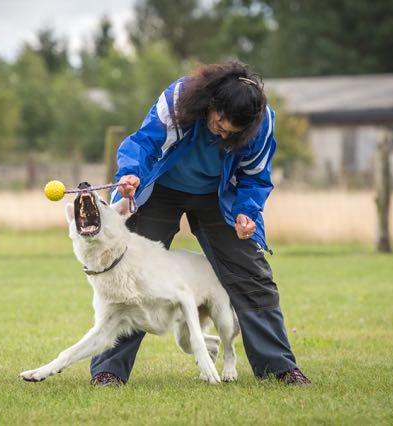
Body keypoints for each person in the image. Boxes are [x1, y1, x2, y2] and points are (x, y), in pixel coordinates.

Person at [90, 61, 311, 387]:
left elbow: (255, 177)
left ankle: (279, 368)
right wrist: (129, 175)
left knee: (251, 275)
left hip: (218, 197)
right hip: (161, 189)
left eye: (232, 130)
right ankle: (108, 371)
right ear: (211, 103)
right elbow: (144, 143)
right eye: (219, 120)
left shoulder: (261, 125)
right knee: (131, 274)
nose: (222, 130)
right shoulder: (178, 99)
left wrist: (246, 212)